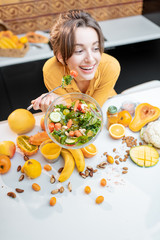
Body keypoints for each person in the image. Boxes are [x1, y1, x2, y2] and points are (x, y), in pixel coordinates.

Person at [31, 9, 120, 112]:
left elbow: (93, 111)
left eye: (95, 48)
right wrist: (57, 103)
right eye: (79, 51)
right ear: (61, 57)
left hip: (108, 109)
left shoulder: (110, 66)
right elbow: (70, 115)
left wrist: (63, 104)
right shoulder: (51, 71)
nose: (91, 59)